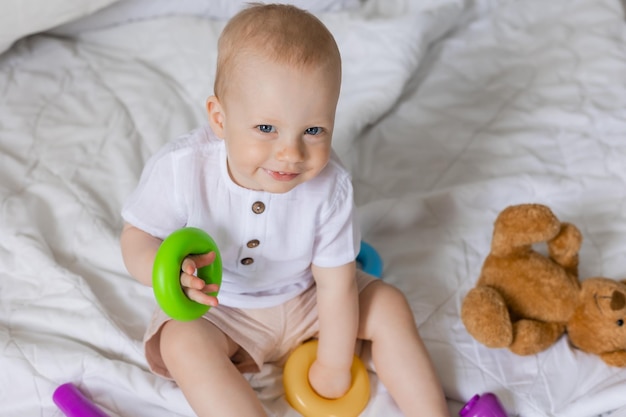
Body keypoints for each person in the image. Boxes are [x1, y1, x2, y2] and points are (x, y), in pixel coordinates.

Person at [120, 3, 449, 417]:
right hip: (222, 309)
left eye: (313, 130)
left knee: (390, 307)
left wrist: (333, 363)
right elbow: (137, 237)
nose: (290, 153)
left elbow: (336, 285)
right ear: (220, 119)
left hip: (307, 298)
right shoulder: (182, 169)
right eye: (265, 129)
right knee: (181, 341)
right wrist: (166, 273)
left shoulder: (330, 187)